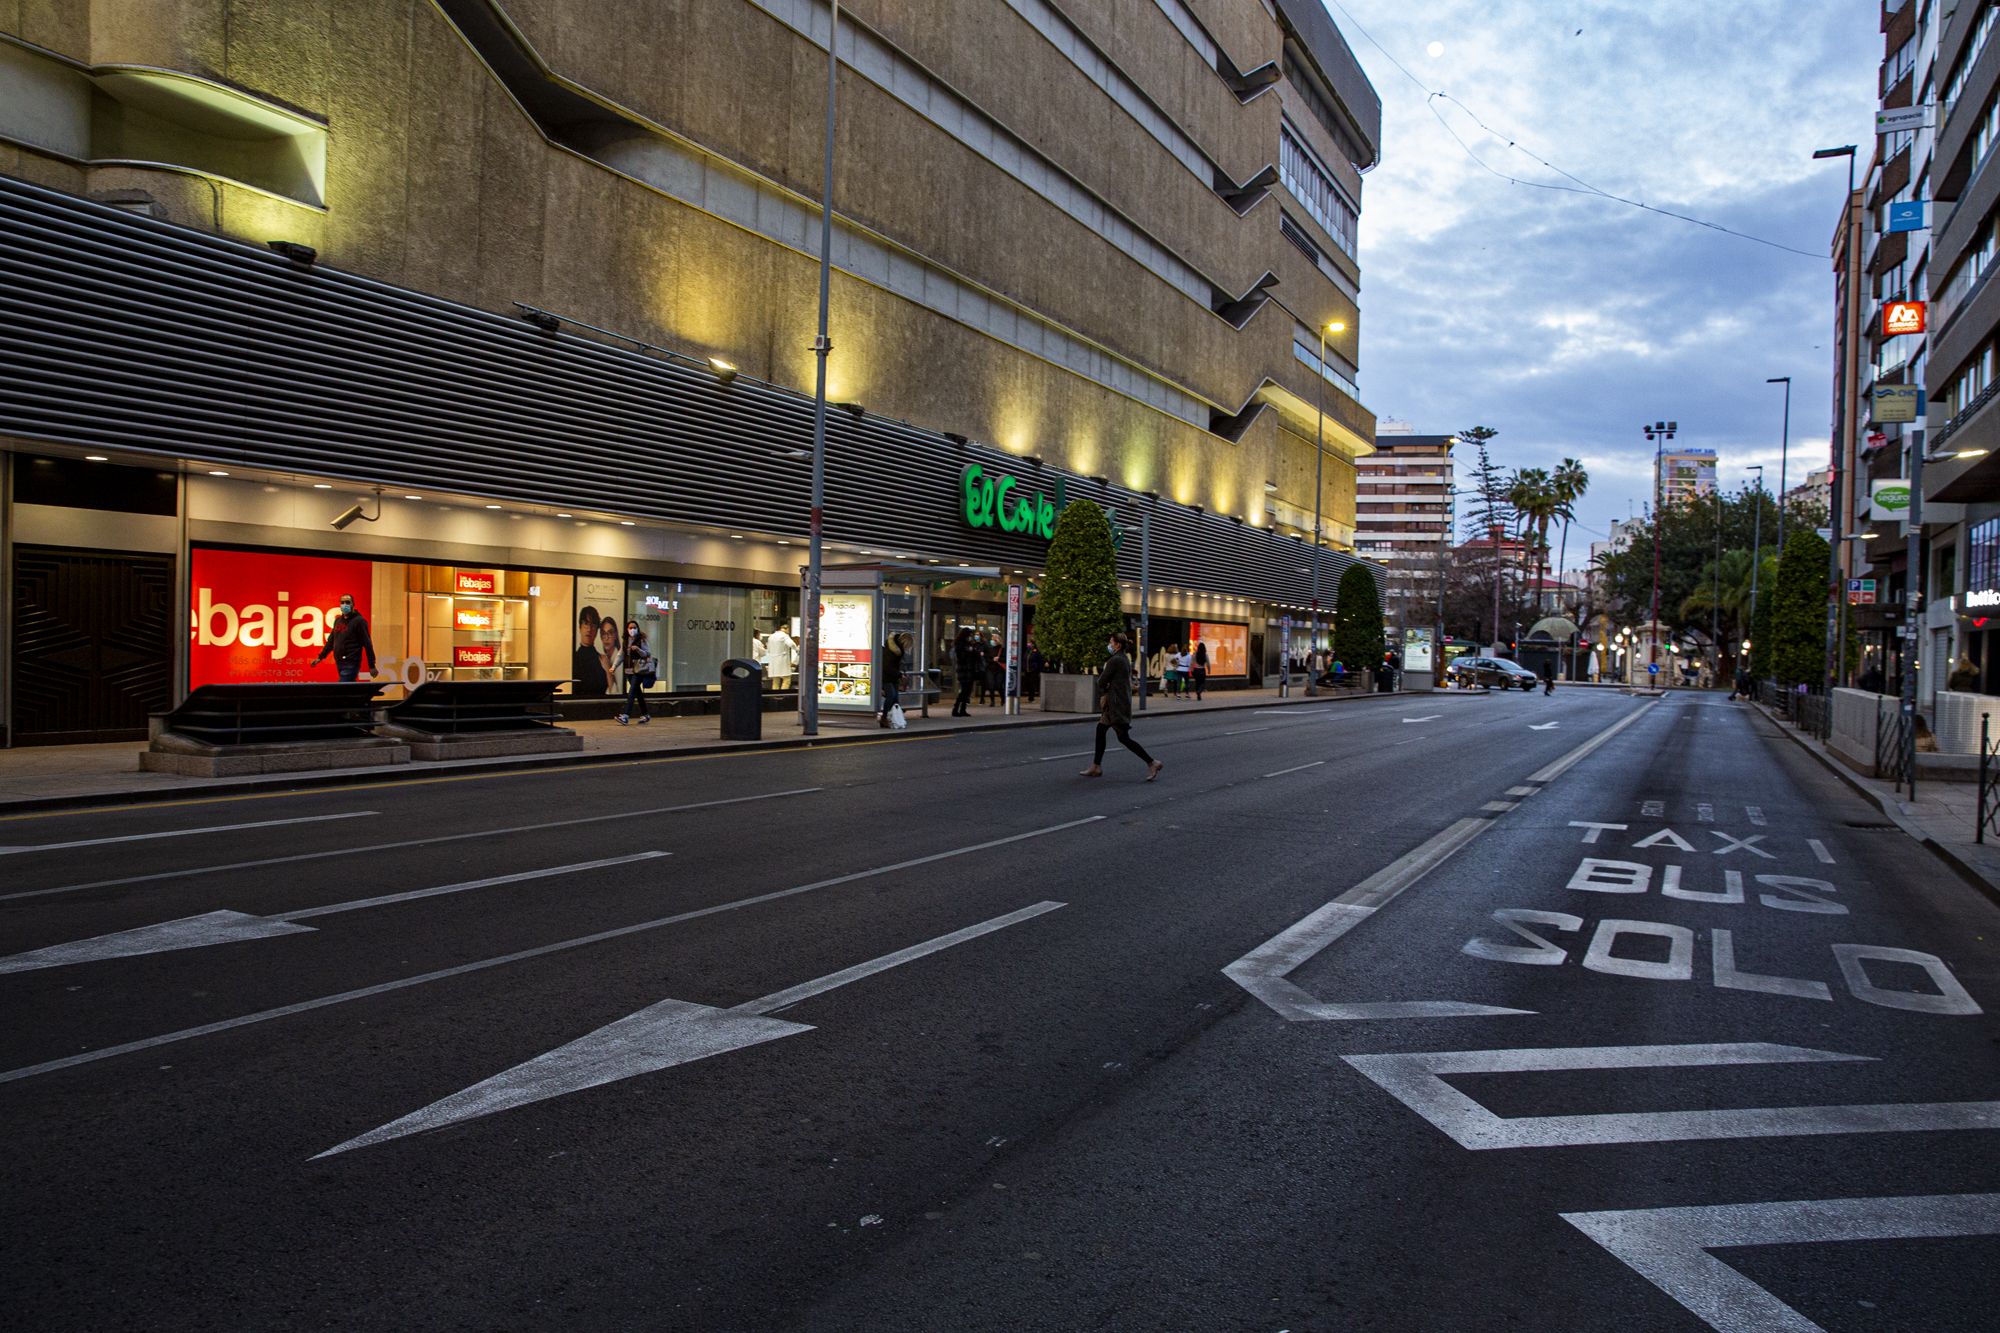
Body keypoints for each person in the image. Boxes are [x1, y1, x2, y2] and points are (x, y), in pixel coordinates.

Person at [1080, 631, 1162, 781]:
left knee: (1123, 738)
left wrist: (1106, 683)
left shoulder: (1115, 660)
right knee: (1101, 730)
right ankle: (1096, 766)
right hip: (1118, 703)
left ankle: (1152, 762)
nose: (1109, 645)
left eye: (1111, 642)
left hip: (1115, 705)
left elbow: (1101, 682)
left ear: (1117, 644)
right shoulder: (1124, 659)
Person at [312, 593, 376, 682]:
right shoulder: (338, 621)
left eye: (347, 602)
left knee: (342, 687)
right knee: (348, 689)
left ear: (353, 604)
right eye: (342, 602)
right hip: (339, 662)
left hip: (351, 662)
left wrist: (371, 665)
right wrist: (320, 657)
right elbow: (331, 641)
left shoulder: (359, 621)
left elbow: (367, 644)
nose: (344, 605)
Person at [617, 621, 655, 724]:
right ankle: (645, 714)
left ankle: (625, 715)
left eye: (634, 627)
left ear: (637, 628)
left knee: (632, 691)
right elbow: (620, 655)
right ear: (627, 629)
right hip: (628, 670)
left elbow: (647, 653)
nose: (632, 630)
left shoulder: (641, 640)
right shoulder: (625, 640)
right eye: (630, 628)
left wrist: (638, 649)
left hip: (638, 670)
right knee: (638, 693)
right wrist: (614, 667)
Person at [571, 606, 608, 696]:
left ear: (596, 630)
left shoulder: (602, 659)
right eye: (586, 623)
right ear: (580, 627)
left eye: (593, 625)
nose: (589, 629)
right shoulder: (574, 659)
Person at [878, 632, 906, 728]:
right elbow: (887, 667)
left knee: (895, 698)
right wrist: (899, 674)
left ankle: (892, 718)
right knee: (891, 696)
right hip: (887, 678)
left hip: (892, 677)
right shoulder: (891, 652)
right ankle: (885, 717)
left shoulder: (893, 650)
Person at [952, 627, 981, 716]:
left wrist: (973, 651)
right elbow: (960, 657)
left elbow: (977, 656)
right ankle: (956, 709)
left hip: (970, 670)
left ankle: (963, 709)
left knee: (968, 691)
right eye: (970, 635)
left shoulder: (969, 644)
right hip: (963, 670)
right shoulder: (959, 644)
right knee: (964, 690)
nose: (971, 637)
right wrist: (969, 651)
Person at [764, 625, 796, 691]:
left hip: (773, 661)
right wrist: (797, 649)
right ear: (786, 629)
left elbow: (769, 649)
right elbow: (791, 644)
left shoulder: (771, 636)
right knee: (787, 679)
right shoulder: (784, 636)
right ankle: (783, 695)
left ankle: (775, 696)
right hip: (782, 660)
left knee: (775, 681)